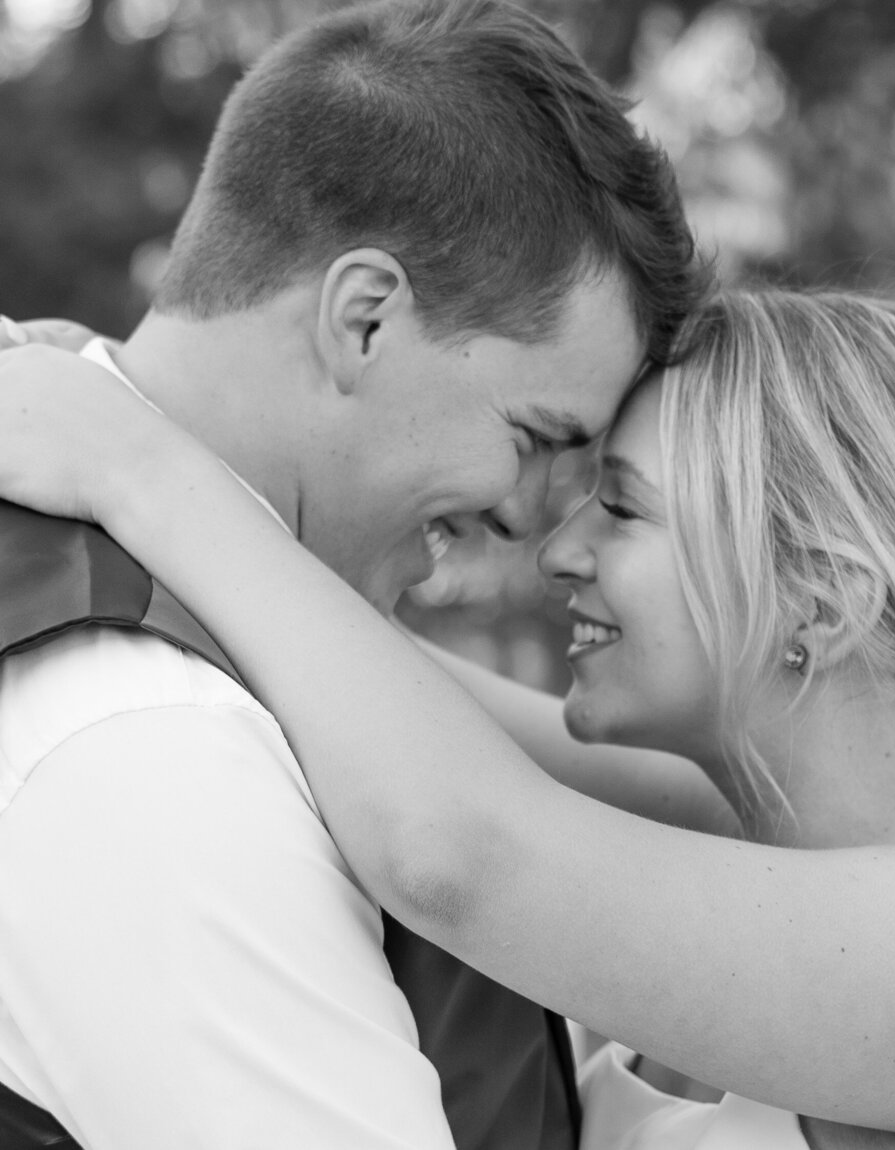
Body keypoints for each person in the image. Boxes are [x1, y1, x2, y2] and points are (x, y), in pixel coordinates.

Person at [2, 288, 895, 1150]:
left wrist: (136, 465)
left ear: (822, 599)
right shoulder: (772, 830)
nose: (558, 553)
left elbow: (457, 851)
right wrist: (118, 385)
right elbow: (360, 671)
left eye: (621, 511)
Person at [0, 0, 709, 1145]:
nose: (534, 525)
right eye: (533, 437)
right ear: (365, 318)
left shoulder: (247, 619)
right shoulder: (146, 733)